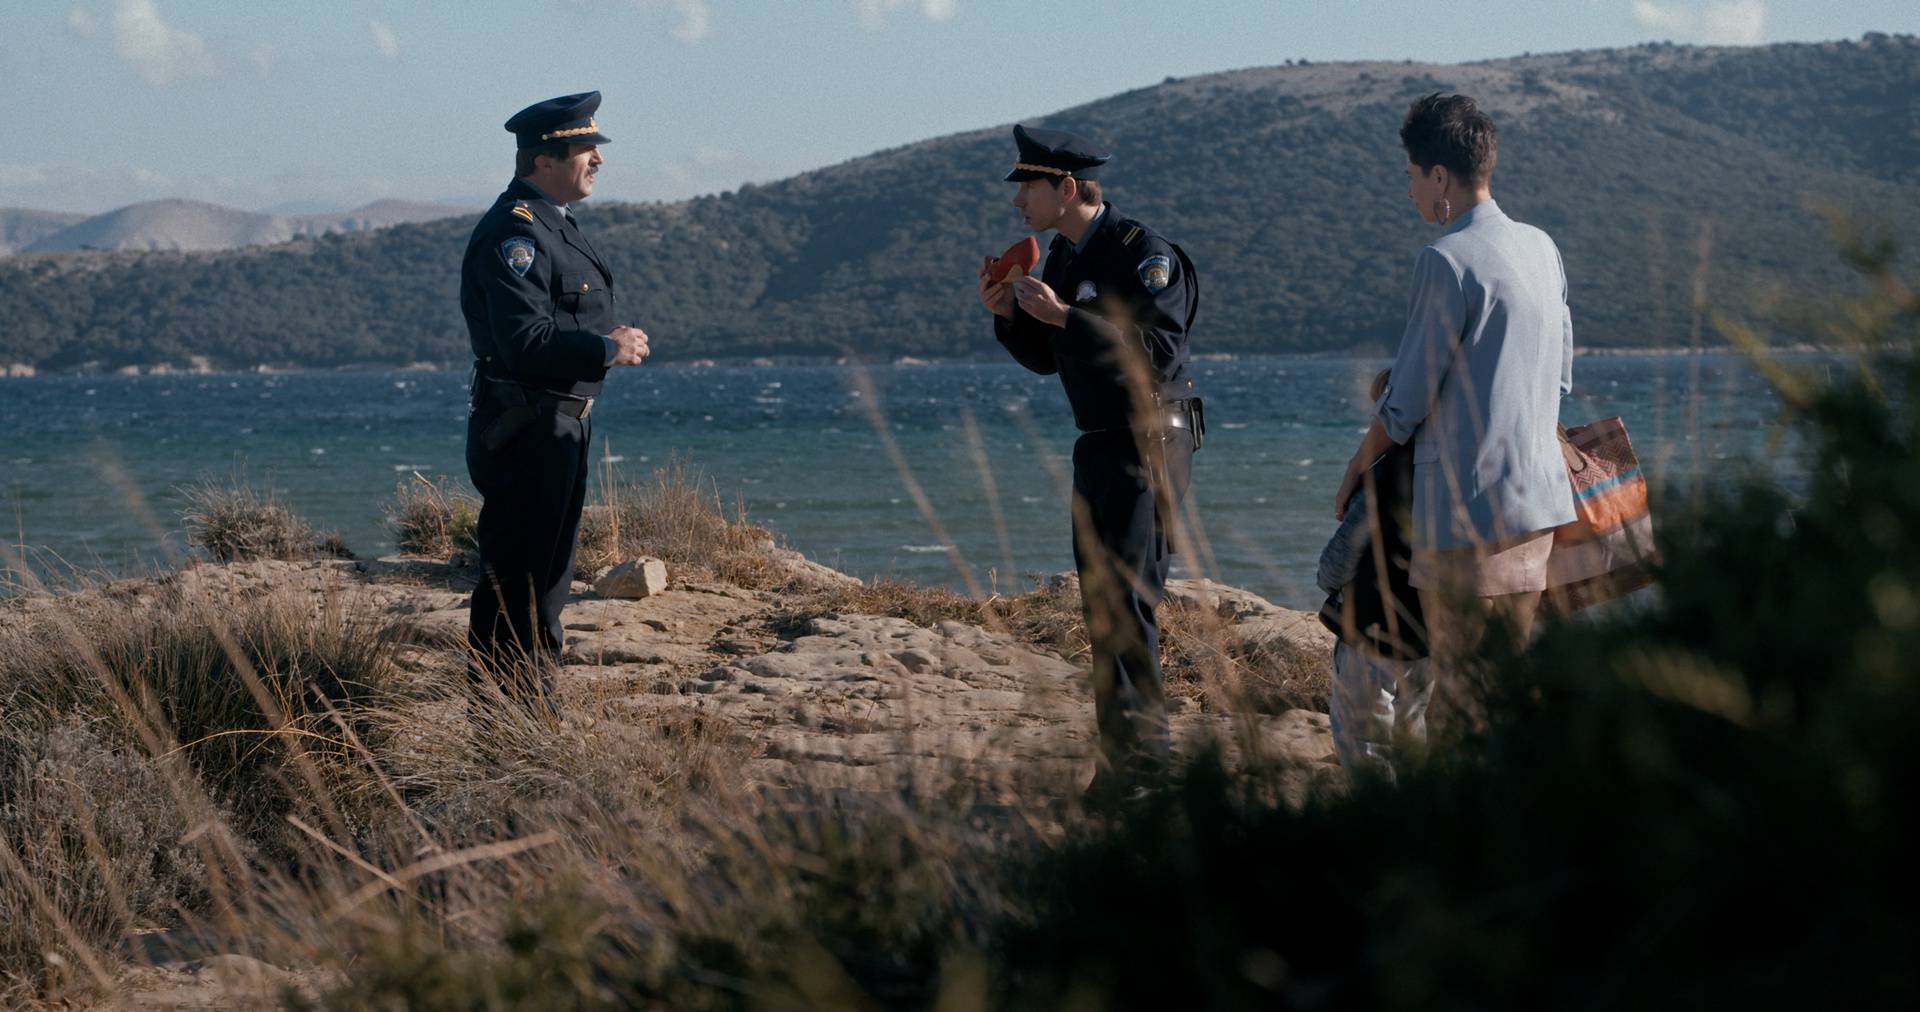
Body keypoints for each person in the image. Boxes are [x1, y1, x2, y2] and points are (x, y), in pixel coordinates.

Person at [1333, 93, 1576, 738]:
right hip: (1539, 509)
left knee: (1463, 705)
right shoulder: (1543, 248)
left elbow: (1406, 404)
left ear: (1440, 176)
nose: (1409, 188)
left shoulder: (1445, 260)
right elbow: (1557, 375)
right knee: (1505, 688)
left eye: (1411, 174)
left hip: (1465, 519)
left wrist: (1360, 462)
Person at [976, 124, 1203, 792]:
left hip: (1149, 441)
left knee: (1131, 604)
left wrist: (1064, 319)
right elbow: (1050, 360)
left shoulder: (1143, 254)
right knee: (1102, 608)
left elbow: (1160, 349)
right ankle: (1120, 767)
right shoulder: (1064, 260)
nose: (1019, 204)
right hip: (1097, 443)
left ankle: (1148, 772)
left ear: (1067, 188)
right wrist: (1009, 318)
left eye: (1029, 189)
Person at [462, 91, 651, 703]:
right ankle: (514, 716)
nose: (597, 158)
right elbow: (523, 342)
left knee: (545, 578)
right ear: (544, 159)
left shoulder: (555, 225)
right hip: (528, 429)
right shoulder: (515, 232)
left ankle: (521, 709)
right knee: (521, 579)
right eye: (584, 149)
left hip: (558, 426)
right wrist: (605, 348)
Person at [1317, 369, 1429, 778]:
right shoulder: (1442, 474)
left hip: (1372, 624)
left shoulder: (1382, 473)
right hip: (1426, 630)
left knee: (1363, 737)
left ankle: (1377, 826)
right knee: (1412, 726)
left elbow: (1342, 555)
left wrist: (1326, 582)